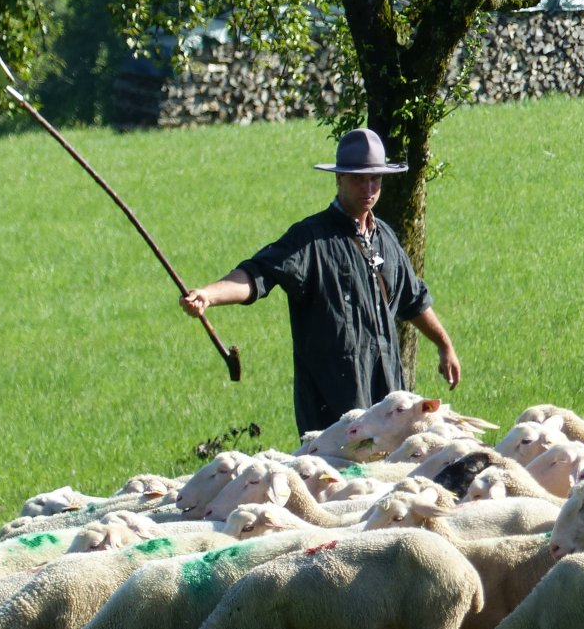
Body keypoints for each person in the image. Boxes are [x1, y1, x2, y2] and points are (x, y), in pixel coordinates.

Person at [180, 127, 461, 436]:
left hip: (390, 412)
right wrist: (209, 294)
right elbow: (257, 274)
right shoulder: (310, 239)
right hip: (332, 420)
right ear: (338, 178)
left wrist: (444, 345)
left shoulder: (387, 238)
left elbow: (413, 299)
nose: (368, 187)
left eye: (375, 179)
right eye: (358, 178)